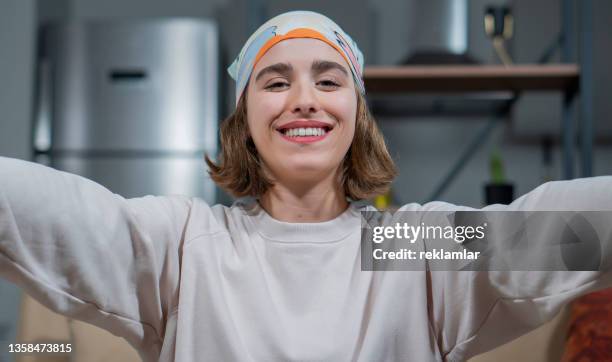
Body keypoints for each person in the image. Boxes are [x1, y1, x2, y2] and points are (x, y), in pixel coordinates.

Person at [0, 10, 611, 362]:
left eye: (327, 80)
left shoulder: (407, 246)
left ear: (356, 113)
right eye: (274, 81)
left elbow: (565, 231)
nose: (303, 100)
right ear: (244, 120)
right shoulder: (188, 242)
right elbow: (56, 216)